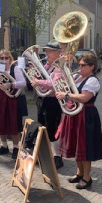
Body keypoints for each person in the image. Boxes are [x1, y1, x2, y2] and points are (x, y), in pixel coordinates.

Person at [55, 52, 102, 189]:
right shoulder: (77, 77)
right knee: (77, 145)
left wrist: (66, 95)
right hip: (75, 114)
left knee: (85, 147)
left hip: (86, 115)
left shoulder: (92, 81)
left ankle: (87, 178)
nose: (80, 68)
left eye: (83, 65)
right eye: (79, 65)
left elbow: (84, 97)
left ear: (92, 66)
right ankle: (79, 173)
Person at [0, 49, 28, 159]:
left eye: (6, 58)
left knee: (13, 124)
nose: (4, 60)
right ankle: (4, 146)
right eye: (2, 58)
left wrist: (10, 85)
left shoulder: (15, 68)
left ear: (10, 59)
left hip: (11, 99)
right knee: (0, 123)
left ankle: (16, 147)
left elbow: (23, 83)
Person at [30, 40, 64, 169]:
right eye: (46, 51)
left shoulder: (59, 66)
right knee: (42, 127)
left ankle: (57, 157)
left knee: (52, 129)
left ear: (57, 52)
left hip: (53, 101)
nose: (46, 54)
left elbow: (54, 84)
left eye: (49, 51)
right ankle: (46, 155)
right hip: (43, 100)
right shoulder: (48, 66)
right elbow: (41, 78)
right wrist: (34, 75)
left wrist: (38, 82)